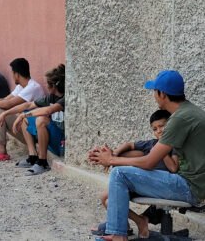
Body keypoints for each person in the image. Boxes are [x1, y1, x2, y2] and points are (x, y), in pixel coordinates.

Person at [88, 70, 205, 241]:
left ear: (162, 94)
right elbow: (140, 152)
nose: (154, 96)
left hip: (190, 187)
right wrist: (110, 155)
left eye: (154, 91)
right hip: (194, 184)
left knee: (119, 174)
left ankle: (117, 235)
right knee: (122, 172)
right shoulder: (189, 112)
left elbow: (150, 161)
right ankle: (121, 228)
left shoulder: (179, 119)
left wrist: (111, 160)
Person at [91, 109, 179, 238]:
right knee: (105, 197)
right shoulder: (151, 143)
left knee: (111, 196)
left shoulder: (174, 146)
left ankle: (137, 223)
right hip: (141, 182)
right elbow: (130, 145)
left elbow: (173, 168)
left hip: (158, 184)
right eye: (155, 129)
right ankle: (127, 226)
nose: (159, 131)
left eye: (162, 126)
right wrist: (114, 154)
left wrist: (162, 150)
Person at [0, 64, 65, 175]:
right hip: (54, 139)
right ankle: (33, 157)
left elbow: (48, 111)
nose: (45, 85)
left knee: (40, 119)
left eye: (47, 83)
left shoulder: (64, 99)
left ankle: (42, 162)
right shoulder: (51, 97)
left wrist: (23, 115)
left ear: (53, 86)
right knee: (26, 116)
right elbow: (28, 105)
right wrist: (5, 113)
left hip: (62, 144)